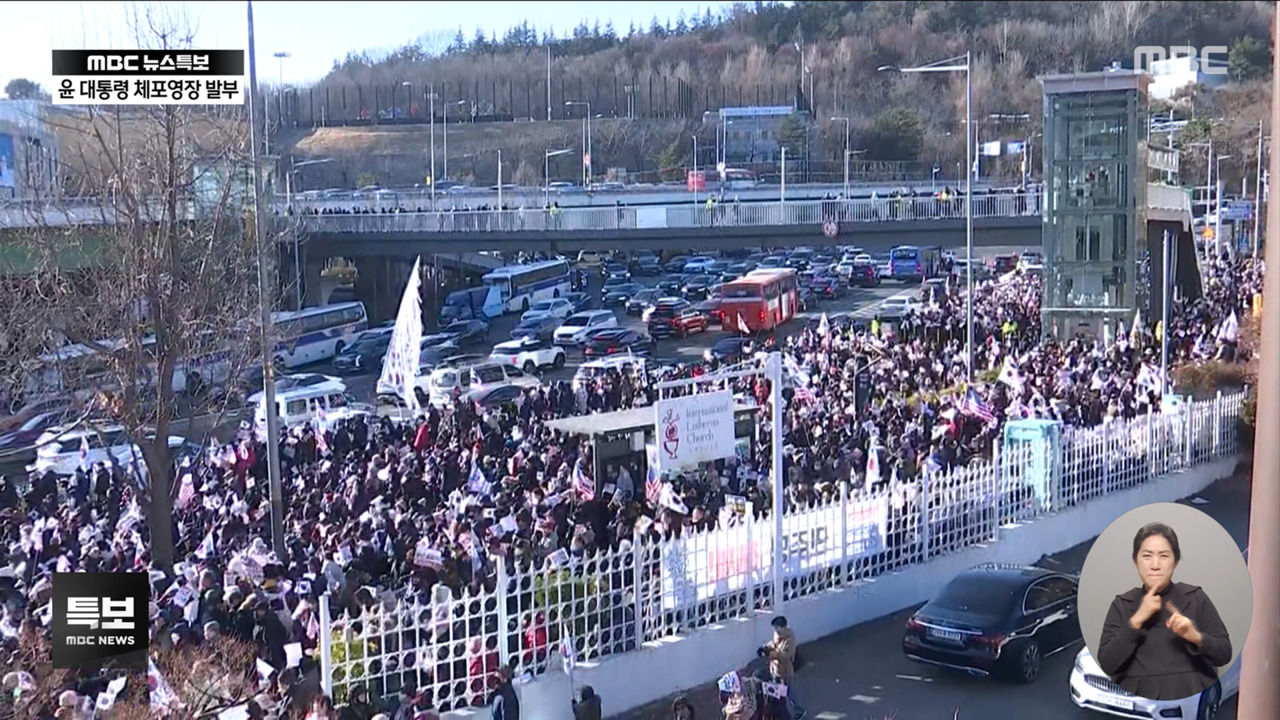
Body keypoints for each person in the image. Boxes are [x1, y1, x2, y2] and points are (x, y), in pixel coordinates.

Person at [1096, 522, 1233, 700]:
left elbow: (1224, 654)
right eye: (1146, 556)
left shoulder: (1195, 597)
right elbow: (1108, 664)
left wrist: (1195, 636)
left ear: (1175, 562)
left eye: (1164, 556)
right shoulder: (1122, 604)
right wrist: (1136, 620)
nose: (1155, 565)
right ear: (1135, 561)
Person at [759, 616, 804, 719]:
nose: (775, 630)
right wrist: (765, 647)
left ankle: (799, 711)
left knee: (789, 693)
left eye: (777, 628)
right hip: (775, 670)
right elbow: (773, 644)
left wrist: (772, 654)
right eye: (774, 628)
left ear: (783, 627)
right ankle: (778, 713)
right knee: (776, 694)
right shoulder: (776, 635)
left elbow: (787, 655)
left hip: (786, 672)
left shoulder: (790, 639)